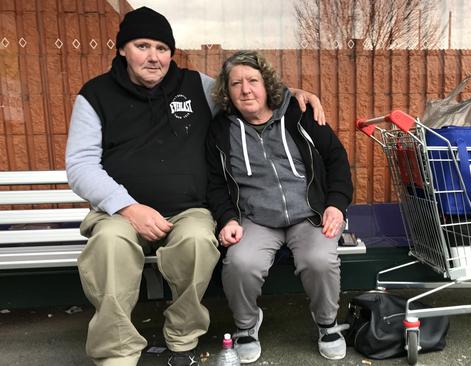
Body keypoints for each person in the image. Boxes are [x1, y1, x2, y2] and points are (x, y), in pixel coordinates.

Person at [65, 7, 325, 366]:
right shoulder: (95, 95)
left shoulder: (197, 86)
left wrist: (291, 93)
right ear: (122, 49)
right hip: (120, 212)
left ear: (171, 52)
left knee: (199, 243)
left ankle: (182, 334)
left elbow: (246, 95)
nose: (154, 57)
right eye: (142, 45)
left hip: (188, 209)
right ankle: (116, 349)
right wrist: (128, 207)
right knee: (109, 246)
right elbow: (79, 165)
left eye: (162, 48)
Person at [206, 51, 353, 363]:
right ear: (227, 92)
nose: (246, 90)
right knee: (240, 263)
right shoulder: (221, 130)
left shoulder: (299, 114)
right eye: (236, 84)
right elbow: (215, 183)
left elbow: (337, 160)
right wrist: (227, 219)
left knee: (319, 260)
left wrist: (336, 205)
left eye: (253, 81)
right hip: (256, 218)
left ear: (266, 84)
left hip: (309, 213)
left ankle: (326, 323)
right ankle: (247, 325)